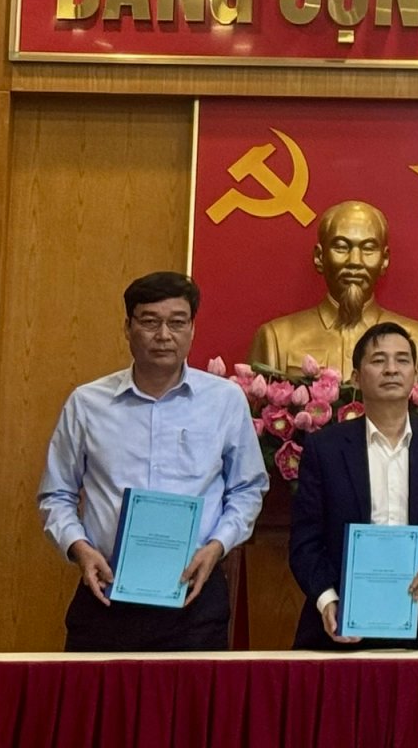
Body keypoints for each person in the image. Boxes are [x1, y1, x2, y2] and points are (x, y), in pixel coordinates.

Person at [38, 270, 267, 651]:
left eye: (177, 322)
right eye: (149, 322)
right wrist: (80, 548)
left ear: (192, 329)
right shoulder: (87, 403)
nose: (163, 335)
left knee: (194, 693)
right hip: (107, 591)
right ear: (127, 328)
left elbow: (248, 488)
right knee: (98, 692)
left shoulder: (224, 401)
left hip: (194, 594)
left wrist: (218, 546)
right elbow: (56, 494)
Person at [287, 321, 418, 649]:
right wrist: (327, 599)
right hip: (341, 617)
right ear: (356, 378)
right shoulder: (325, 448)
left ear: (415, 376)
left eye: (402, 360)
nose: (391, 369)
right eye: (378, 360)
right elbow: (305, 539)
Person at [250, 200, 418, 377]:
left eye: (368, 248)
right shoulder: (276, 339)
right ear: (319, 257)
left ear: (384, 260)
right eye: (341, 247)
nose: (355, 262)